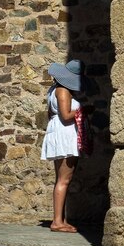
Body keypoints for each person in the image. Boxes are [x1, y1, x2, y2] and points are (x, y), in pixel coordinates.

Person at [41, 59, 85, 233]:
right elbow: (66, 116)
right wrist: (84, 111)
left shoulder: (54, 90)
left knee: (61, 179)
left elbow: (52, 113)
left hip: (58, 132)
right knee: (64, 179)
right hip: (65, 134)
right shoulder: (63, 91)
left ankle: (60, 218)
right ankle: (57, 222)